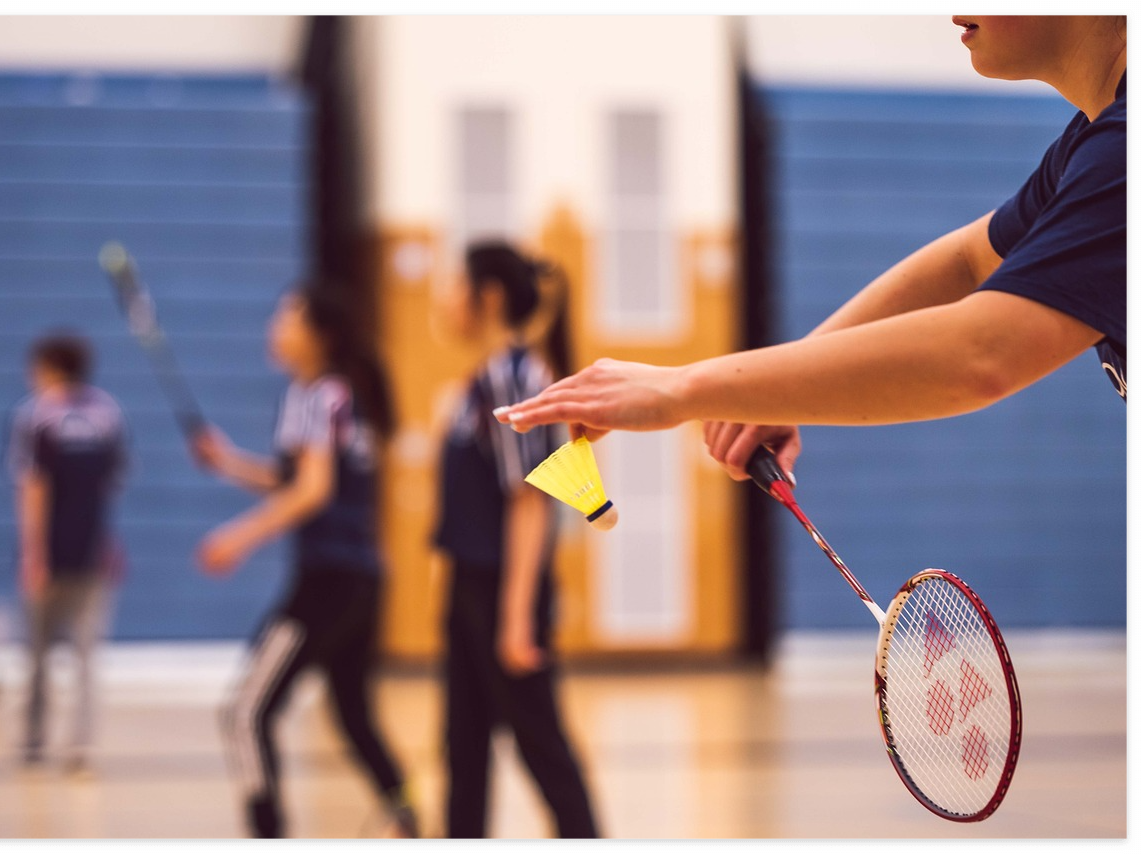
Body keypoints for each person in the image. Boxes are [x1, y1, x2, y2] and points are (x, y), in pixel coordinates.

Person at [494, 16, 1125, 482]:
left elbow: (982, 352)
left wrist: (681, 388)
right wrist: (771, 388)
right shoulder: (1092, 144)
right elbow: (968, 261)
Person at [190, 283, 418, 839]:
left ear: (319, 336)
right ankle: (408, 819)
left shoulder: (317, 395)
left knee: (245, 713)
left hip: (329, 584)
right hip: (363, 581)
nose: (275, 328)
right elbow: (296, 479)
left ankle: (269, 838)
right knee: (355, 718)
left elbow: (311, 491)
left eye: (286, 318)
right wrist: (229, 463)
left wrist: (237, 538)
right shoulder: (340, 395)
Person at [432, 241, 599, 839]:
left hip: (502, 592)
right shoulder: (483, 377)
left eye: (456, 284)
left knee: (541, 748)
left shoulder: (514, 375)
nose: (445, 299)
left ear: (489, 296)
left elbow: (529, 501)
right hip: (471, 589)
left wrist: (515, 617)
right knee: (464, 748)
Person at [7, 332, 129, 774]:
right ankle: (81, 748)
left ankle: (34, 742)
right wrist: (109, 542)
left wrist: (31, 554)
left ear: (49, 367)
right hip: (93, 552)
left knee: (37, 654)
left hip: (53, 555)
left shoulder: (35, 415)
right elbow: (110, 488)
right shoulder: (108, 413)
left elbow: (32, 488)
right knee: (85, 657)